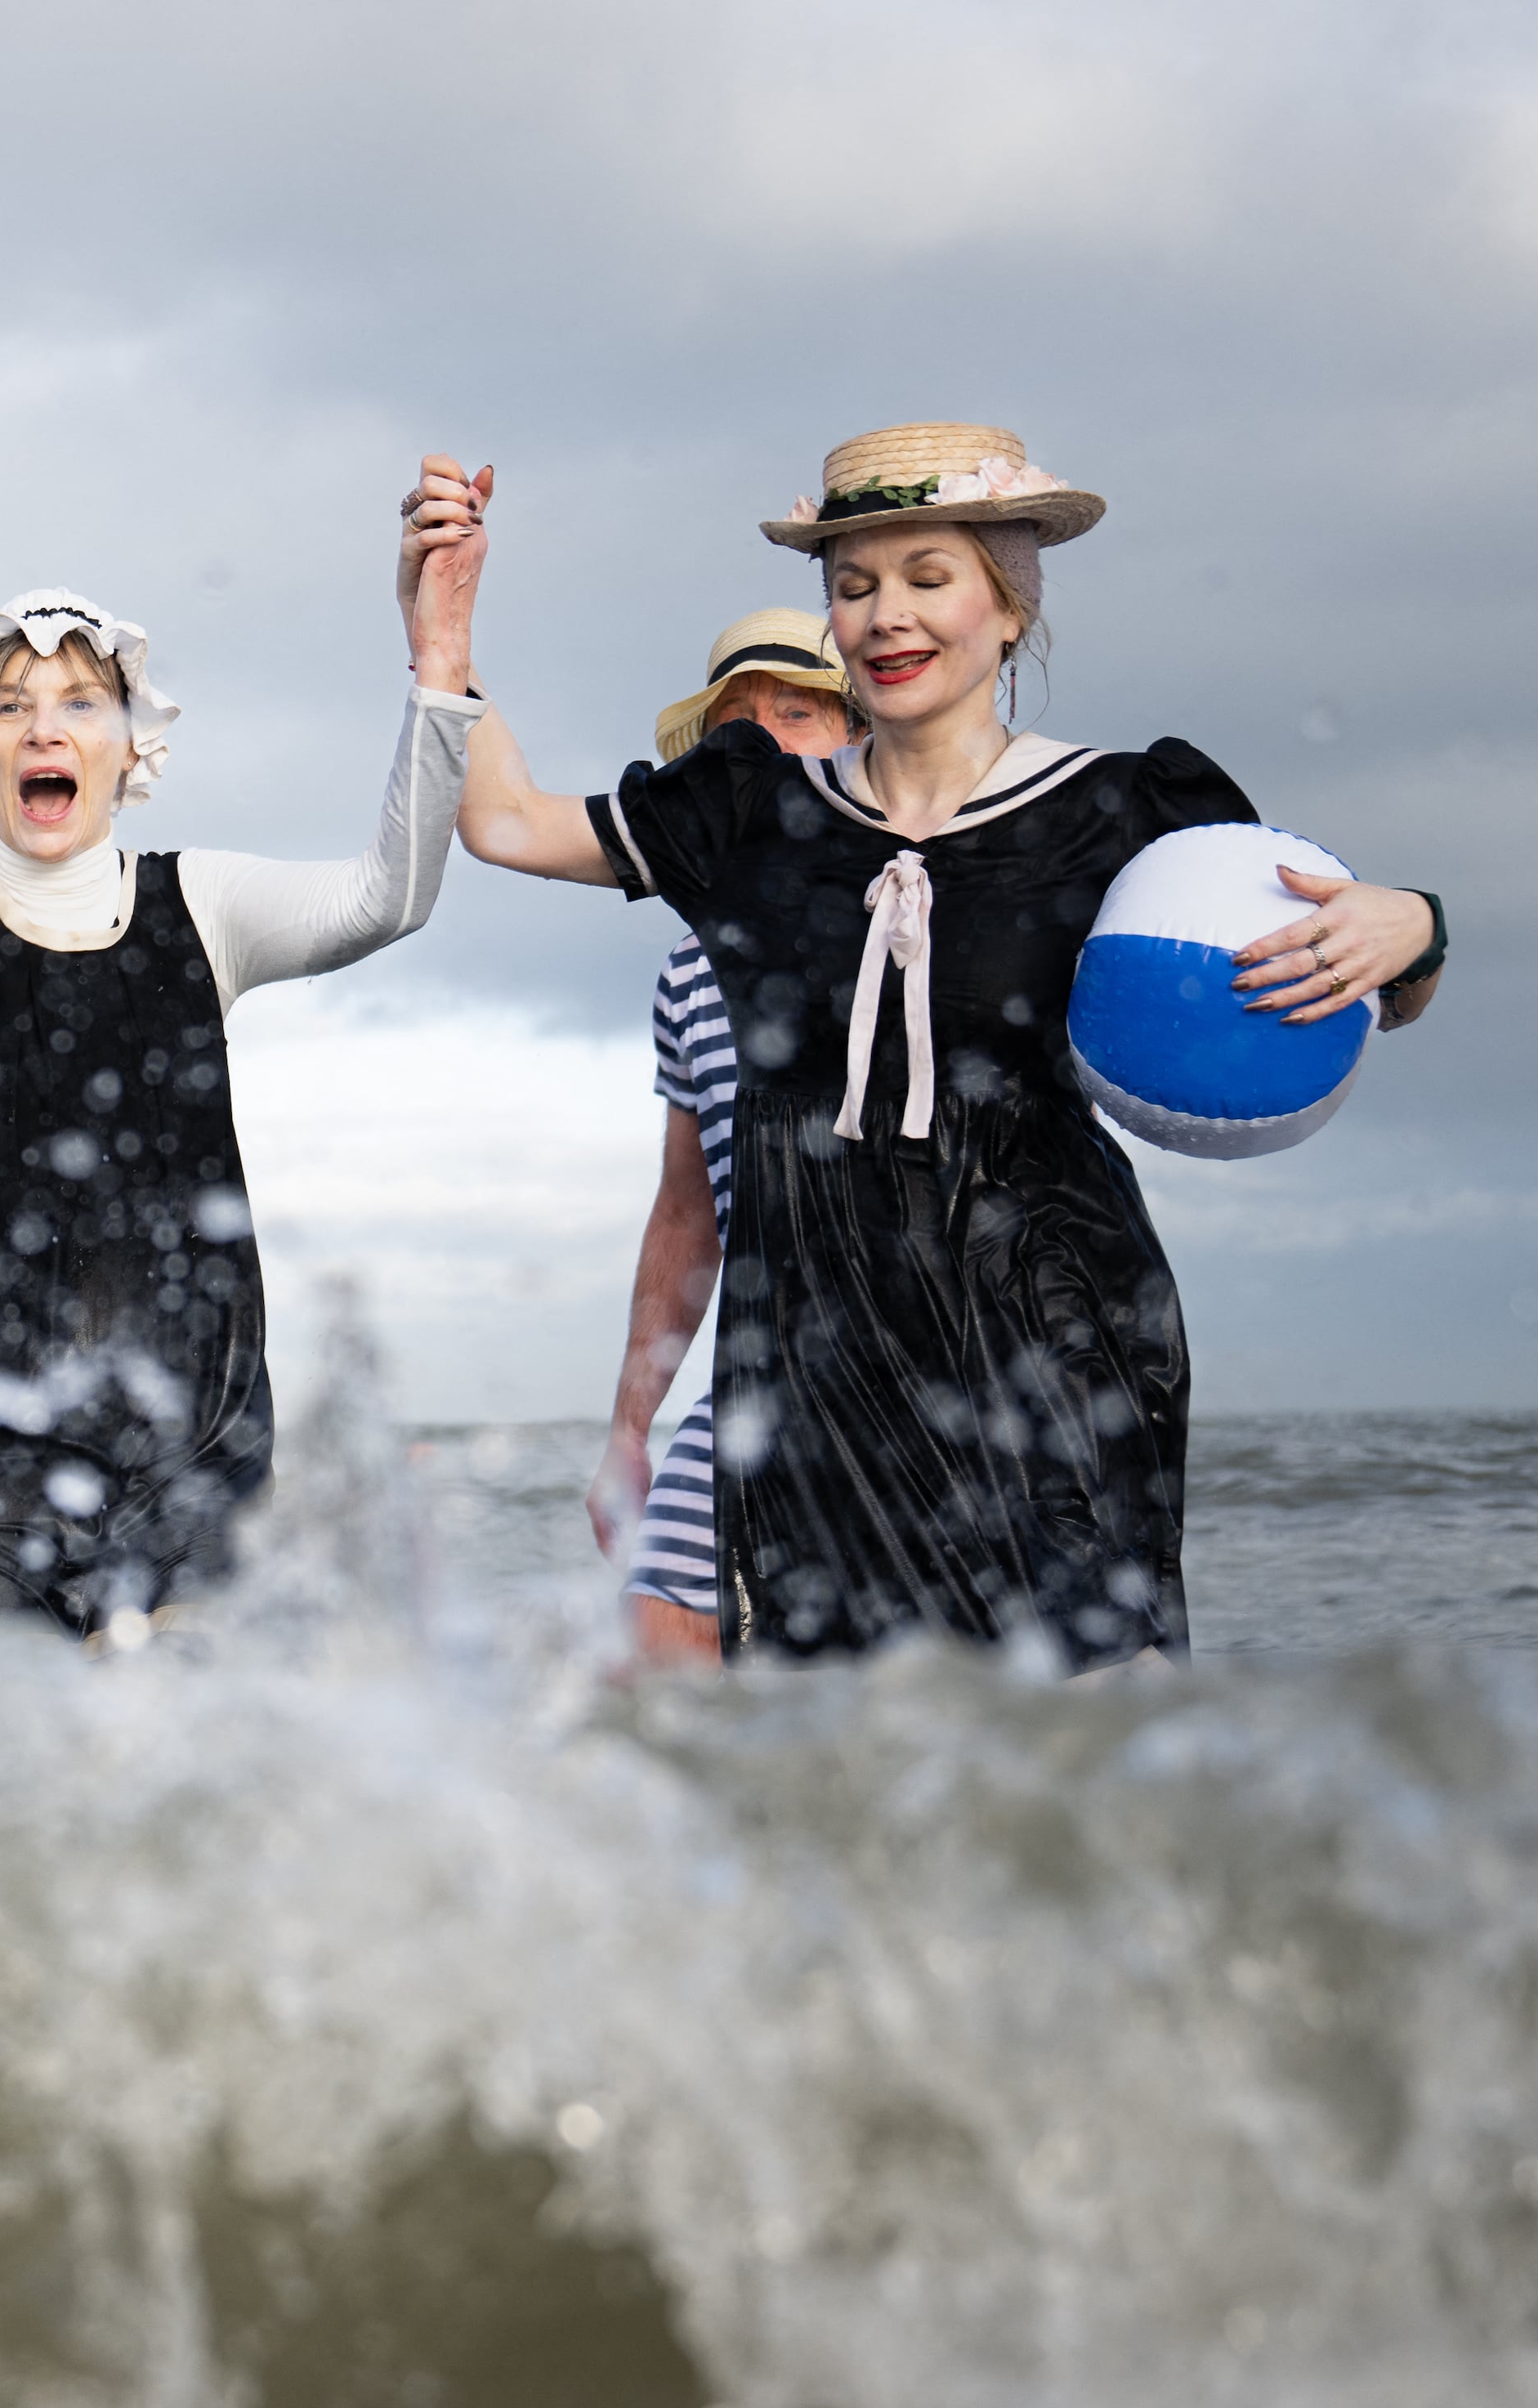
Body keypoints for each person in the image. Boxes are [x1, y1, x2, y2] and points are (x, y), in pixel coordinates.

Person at [450, 425, 1446, 1667]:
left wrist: (1414, 927)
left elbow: (1316, 982)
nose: (886, 616)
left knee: (1077, 1731)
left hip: (1051, 1325)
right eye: (856, 586)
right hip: (811, 1349)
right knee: (840, 1749)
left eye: (929, 577)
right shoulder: (753, 808)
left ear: (1008, 606)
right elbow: (504, 823)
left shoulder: (1125, 809)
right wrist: (443, 642)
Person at [0, 440, 484, 1638]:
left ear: (128, 746)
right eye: (12, 707)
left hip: (193, 1471)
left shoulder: (202, 905)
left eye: (78, 703)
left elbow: (392, 896)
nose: (43, 728)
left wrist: (441, 655)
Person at [588, 611, 857, 1669]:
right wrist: (628, 1430)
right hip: (765, 1375)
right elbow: (686, 1209)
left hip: (945, 1361)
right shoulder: (689, 969)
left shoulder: (926, 901)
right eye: (738, 726)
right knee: (652, 1635)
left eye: (798, 713)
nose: (767, 742)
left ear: (857, 732)